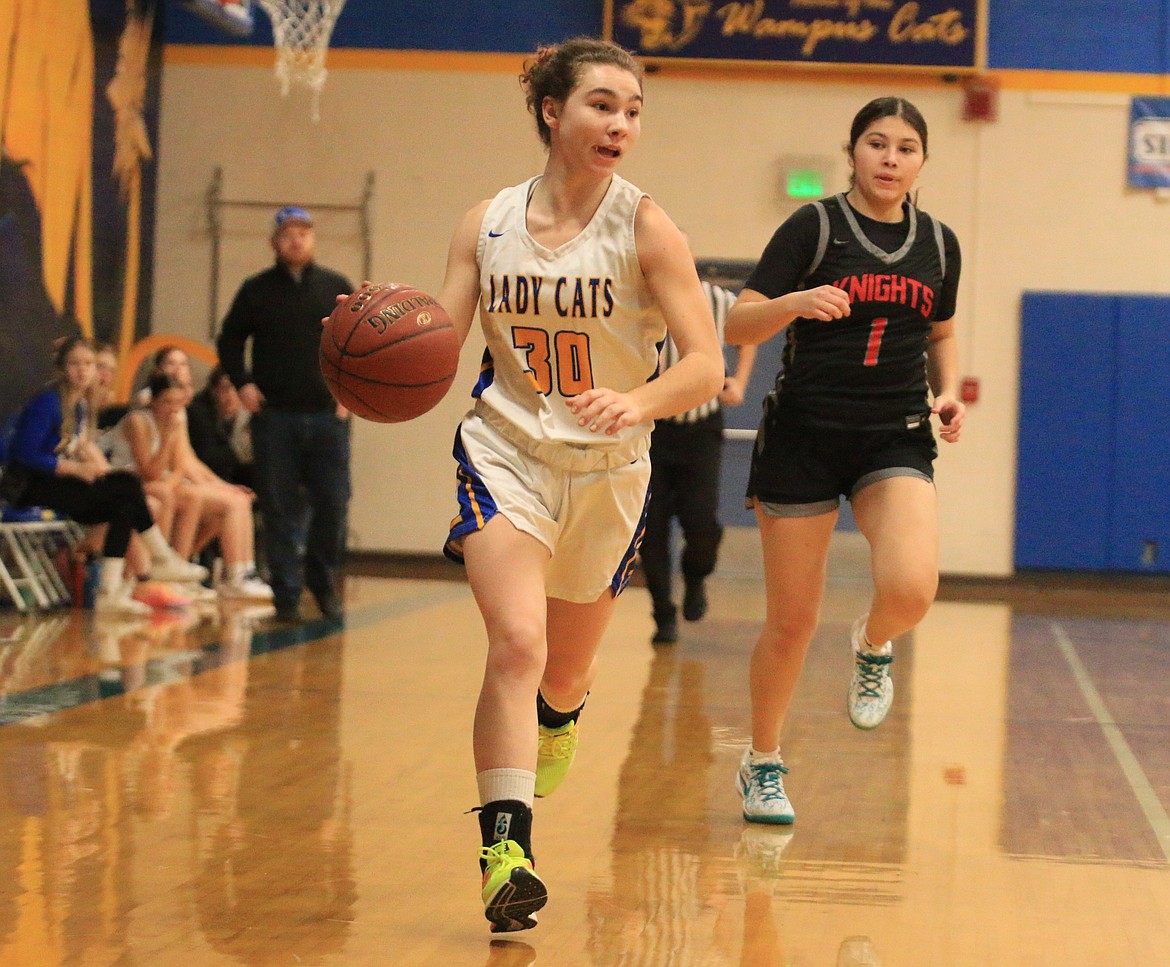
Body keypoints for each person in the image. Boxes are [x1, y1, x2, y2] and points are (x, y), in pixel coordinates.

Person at [433, 38, 724, 932]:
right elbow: (438, 347)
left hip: (608, 469)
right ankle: (505, 851)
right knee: (515, 644)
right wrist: (375, 349)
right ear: (552, 112)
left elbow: (707, 366)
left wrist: (636, 399)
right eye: (603, 104)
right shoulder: (485, 223)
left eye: (633, 110)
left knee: (563, 666)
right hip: (506, 449)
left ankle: (564, 712)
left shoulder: (645, 226)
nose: (621, 123)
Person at [724, 97, 966, 826]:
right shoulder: (814, 225)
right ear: (852, 152)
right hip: (804, 433)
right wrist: (795, 300)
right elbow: (738, 319)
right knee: (792, 621)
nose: (890, 158)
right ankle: (762, 761)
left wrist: (949, 390)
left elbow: (942, 332)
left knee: (912, 586)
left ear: (922, 160)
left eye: (905, 148)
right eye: (876, 144)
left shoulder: (941, 244)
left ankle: (873, 642)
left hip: (893, 432)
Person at [217, 206, 353, 623]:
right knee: (278, 507)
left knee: (332, 503)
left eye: (303, 233)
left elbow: (359, 341)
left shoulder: (336, 286)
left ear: (313, 239)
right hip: (274, 417)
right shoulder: (256, 289)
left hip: (328, 415)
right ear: (274, 241)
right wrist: (242, 383)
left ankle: (323, 584)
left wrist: (351, 392)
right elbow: (229, 339)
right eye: (287, 233)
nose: (296, 240)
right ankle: (286, 594)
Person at [7, 337, 208, 614]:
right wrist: (76, 469)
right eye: (75, 364)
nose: (82, 370)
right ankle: (158, 560)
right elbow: (23, 454)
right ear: (62, 369)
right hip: (29, 486)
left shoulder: (79, 406)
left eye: (88, 364)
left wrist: (96, 469)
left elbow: (78, 447)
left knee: (124, 493)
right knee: (124, 490)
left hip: (57, 481)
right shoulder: (48, 402)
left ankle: (112, 591)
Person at [639, 261, 757, 645]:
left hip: (701, 428)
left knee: (701, 522)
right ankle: (662, 615)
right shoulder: (638, 299)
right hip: (651, 429)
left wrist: (738, 380)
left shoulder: (716, 300)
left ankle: (695, 577)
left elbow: (749, 332)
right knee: (650, 528)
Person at [106, 371, 272, 600]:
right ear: (153, 401)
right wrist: (167, 438)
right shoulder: (138, 421)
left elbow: (186, 462)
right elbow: (150, 472)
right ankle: (160, 571)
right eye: (166, 402)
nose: (173, 407)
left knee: (233, 499)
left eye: (177, 402)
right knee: (170, 494)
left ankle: (238, 571)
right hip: (127, 481)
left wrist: (223, 486)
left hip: (158, 481)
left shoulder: (177, 417)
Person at [188, 364, 254, 488]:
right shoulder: (198, 412)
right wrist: (239, 448)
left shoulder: (249, 411)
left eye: (236, 388)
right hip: (206, 478)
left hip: (239, 476)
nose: (231, 395)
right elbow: (208, 459)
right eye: (225, 388)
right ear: (214, 390)